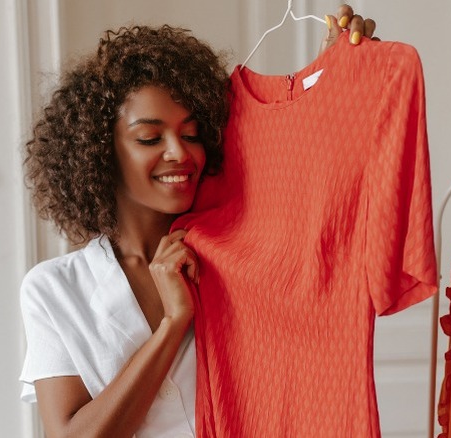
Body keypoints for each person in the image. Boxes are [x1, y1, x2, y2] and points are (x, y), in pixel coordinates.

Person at [20, 6, 377, 437]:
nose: (180, 152)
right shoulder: (54, 290)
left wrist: (333, 76)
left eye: (191, 134)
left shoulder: (238, 255)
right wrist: (173, 322)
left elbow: (313, 194)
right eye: (150, 138)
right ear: (98, 152)